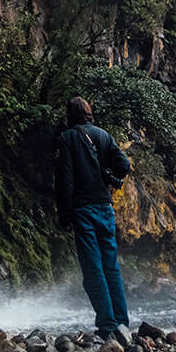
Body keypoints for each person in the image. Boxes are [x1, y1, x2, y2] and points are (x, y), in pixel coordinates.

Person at [54, 95, 131, 338]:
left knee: (93, 268)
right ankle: (122, 322)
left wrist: (64, 214)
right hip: (105, 208)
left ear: (70, 115)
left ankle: (107, 325)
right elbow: (124, 165)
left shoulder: (67, 139)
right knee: (111, 266)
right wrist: (108, 174)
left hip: (83, 210)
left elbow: (65, 180)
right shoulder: (103, 135)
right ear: (89, 113)